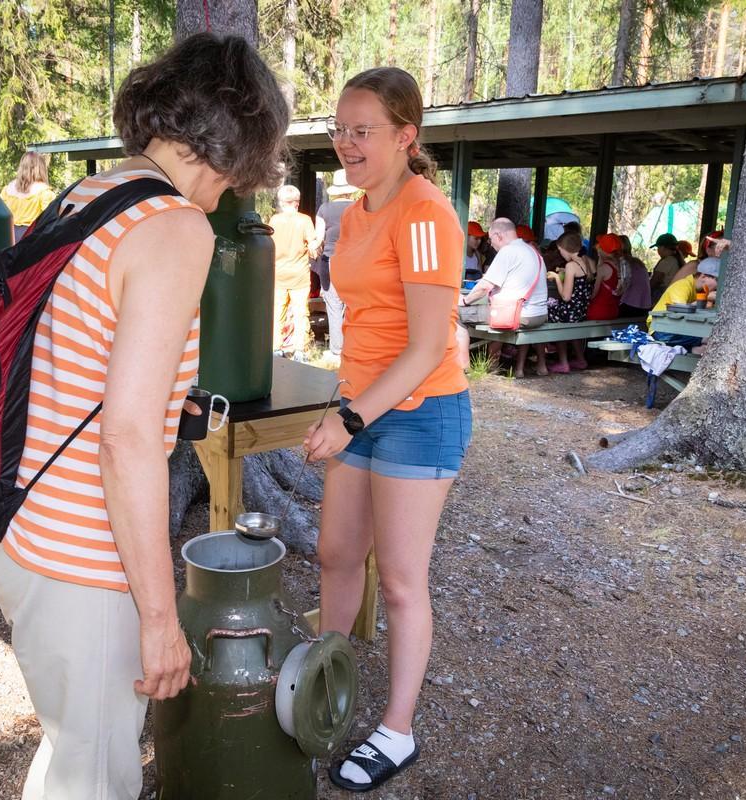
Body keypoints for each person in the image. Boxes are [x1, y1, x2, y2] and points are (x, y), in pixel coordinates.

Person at [0, 34, 288, 799]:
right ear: (237, 140)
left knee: (73, 747)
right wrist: (159, 616)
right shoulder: (174, 226)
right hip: (78, 544)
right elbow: (124, 439)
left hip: (15, 520)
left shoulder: (92, 195)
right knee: (95, 774)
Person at [305, 66, 470, 793]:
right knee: (337, 554)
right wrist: (343, 401)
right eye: (339, 129)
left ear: (406, 137)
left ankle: (397, 729)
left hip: (420, 412)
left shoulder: (425, 214)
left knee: (401, 582)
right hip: (365, 404)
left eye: (361, 130)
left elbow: (428, 344)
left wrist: (350, 416)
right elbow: (368, 329)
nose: (346, 142)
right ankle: (322, 676)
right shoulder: (359, 211)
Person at [460, 217, 548, 377]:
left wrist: (465, 300)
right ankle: (490, 365)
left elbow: (486, 285)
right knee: (490, 311)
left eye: (491, 238)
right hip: (539, 315)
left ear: (499, 235)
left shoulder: (508, 251)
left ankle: (464, 367)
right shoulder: (532, 251)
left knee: (456, 313)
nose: (490, 244)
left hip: (518, 315)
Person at [269, 184, 318, 357]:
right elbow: (313, 245)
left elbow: (269, 245)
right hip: (299, 274)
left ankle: (276, 348)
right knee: (300, 312)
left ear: (282, 202)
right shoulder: (304, 220)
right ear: (297, 203)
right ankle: (299, 349)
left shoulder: (274, 220)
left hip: (278, 274)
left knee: (277, 312)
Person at [313, 169, 356, 358]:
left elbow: (318, 238)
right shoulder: (359, 207)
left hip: (330, 261)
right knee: (353, 305)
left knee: (334, 305)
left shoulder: (324, 209)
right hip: (355, 262)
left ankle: (337, 349)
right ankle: (353, 346)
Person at [544, 231, 595, 372]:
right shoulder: (589, 261)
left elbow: (566, 297)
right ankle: (580, 359)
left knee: (548, 309)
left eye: (560, 250)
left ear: (566, 249)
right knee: (570, 324)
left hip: (570, 312)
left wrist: (556, 278)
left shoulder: (571, 266)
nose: (560, 254)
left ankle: (562, 361)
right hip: (583, 310)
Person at [646, 256, 720, 350]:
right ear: (703, 276)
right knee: (706, 339)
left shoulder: (700, 290)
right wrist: (705, 299)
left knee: (703, 346)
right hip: (660, 330)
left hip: (680, 330)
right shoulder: (682, 286)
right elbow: (681, 312)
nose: (718, 285)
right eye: (717, 280)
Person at [0, 151, 56, 241]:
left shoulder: (6, 190)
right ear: (41, 168)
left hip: (7, 236)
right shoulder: (45, 193)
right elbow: (50, 220)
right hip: (30, 238)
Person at [586, 233, 623, 321]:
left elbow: (594, 293)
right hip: (613, 310)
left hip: (599, 310)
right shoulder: (620, 266)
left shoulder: (603, 268)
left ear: (602, 249)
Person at [617, 233, 652, 317]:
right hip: (645, 306)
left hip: (630, 305)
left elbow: (620, 286)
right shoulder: (638, 262)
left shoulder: (622, 262)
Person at [648, 232, 683, 299]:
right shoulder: (676, 260)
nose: (657, 250)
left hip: (662, 295)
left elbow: (656, 280)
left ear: (663, 247)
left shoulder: (667, 261)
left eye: (658, 247)